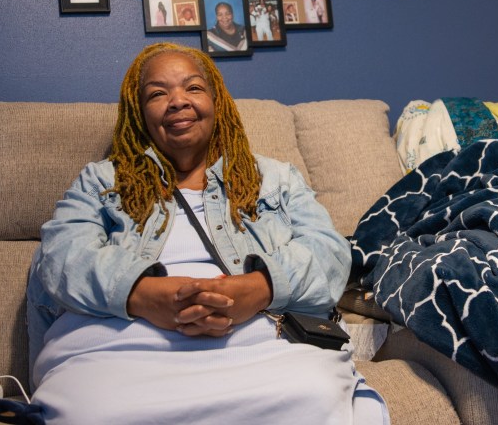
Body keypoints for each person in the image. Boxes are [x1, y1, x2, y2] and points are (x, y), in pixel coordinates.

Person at [26, 43, 388, 424]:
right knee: (93, 411)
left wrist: (256, 289)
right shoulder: (101, 181)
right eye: (157, 93)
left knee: (312, 395)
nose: (177, 101)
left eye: (193, 88)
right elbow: (61, 256)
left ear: (217, 102)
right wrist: (145, 296)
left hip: (258, 337)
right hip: (121, 341)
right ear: (139, 113)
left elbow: (328, 252)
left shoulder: (275, 179)